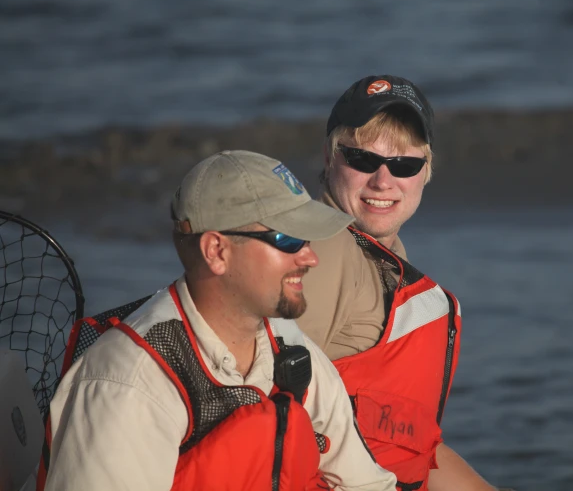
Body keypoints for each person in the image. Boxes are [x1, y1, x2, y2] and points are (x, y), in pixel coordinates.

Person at [38, 150, 397, 491]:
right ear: (217, 251)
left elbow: (366, 483)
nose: (310, 257)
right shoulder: (129, 385)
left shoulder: (286, 343)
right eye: (287, 238)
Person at [296, 76, 497, 491]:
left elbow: (410, 446)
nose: (383, 181)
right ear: (329, 157)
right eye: (363, 160)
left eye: (404, 164)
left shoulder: (385, 256)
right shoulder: (322, 251)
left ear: (426, 172)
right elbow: (255, 415)